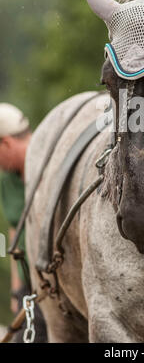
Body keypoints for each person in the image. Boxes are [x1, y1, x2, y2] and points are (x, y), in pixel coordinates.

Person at [0, 103, 47, 343]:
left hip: (54, 283)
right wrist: (17, 290)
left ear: (6, 143)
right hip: (28, 287)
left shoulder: (51, 166)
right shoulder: (7, 181)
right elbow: (14, 230)